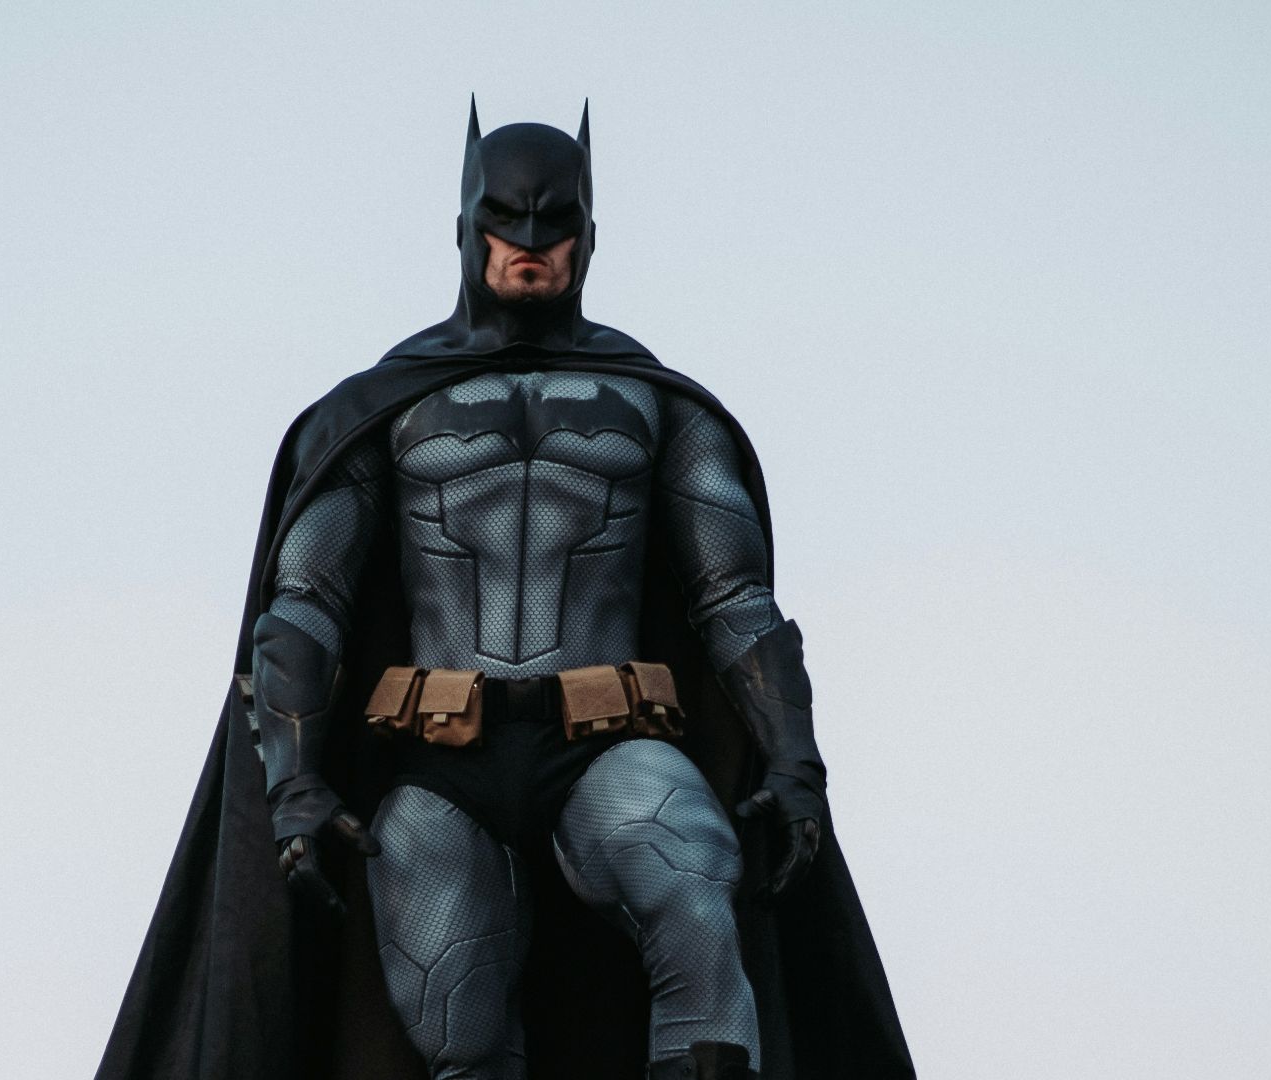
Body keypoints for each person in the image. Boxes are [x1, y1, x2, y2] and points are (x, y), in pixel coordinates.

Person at [99, 102, 912, 1080]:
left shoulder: (656, 405)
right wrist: (299, 784)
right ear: (465, 224)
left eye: (553, 224)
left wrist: (794, 764)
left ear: (588, 234)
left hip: (610, 749)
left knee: (697, 892)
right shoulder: (383, 408)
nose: (530, 246)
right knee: (460, 1019)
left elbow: (733, 598)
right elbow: (309, 600)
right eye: (506, 222)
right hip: (441, 763)